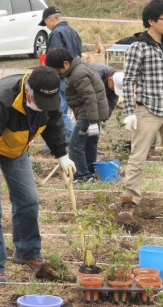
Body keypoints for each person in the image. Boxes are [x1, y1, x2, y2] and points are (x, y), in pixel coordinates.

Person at [0, 66, 75, 283]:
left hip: (15, 147)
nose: (44, 108)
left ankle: (27, 251)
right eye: (39, 103)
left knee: (29, 200)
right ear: (28, 91)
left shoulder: (47, 98)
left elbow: (53, 124)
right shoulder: (2, 100)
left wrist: (62, 154)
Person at [119, 0, 163, 218]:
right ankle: (129, 201)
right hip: (149, 109)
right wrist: (129, 111)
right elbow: (128, 81)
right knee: (138, 157)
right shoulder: (139, 47)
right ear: (151, 21)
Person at [46, 48, 109, 184]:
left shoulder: (78, 74)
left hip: (88, 115)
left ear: (66, 64)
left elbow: (90, 97)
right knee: (90, 143)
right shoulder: (80, 67)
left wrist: (92, 122)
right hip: (91, 113)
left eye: (58, 69)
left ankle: (82, 176)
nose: (57, 73)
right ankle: (90, 172)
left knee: (75, 144)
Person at [40, 6, 83, 141]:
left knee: (59, 111)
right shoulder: (73, 31)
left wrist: (48, 75)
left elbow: (55, 58)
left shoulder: (57, 33)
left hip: (60, 77)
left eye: (45, 22)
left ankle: (72, 138)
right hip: (74, 75)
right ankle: (53, 143)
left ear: (50, 19)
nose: (46, 26)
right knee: (70, 110)